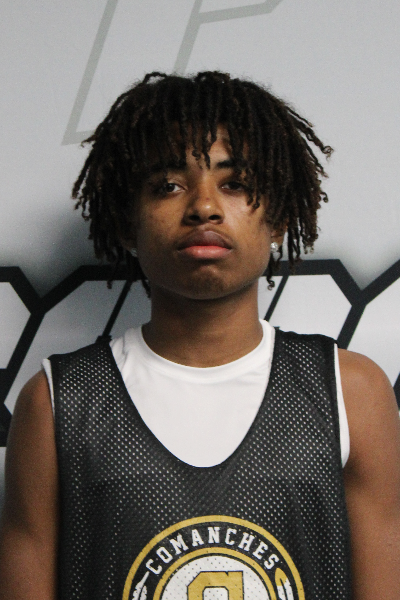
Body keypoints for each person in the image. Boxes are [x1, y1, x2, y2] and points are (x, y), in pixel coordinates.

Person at [0, 71, 399, 600]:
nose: (203, 207)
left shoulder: (350, 391)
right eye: (168, 185)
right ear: (126, 222)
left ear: (279, 217)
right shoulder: (57, 403)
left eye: (235, 184)